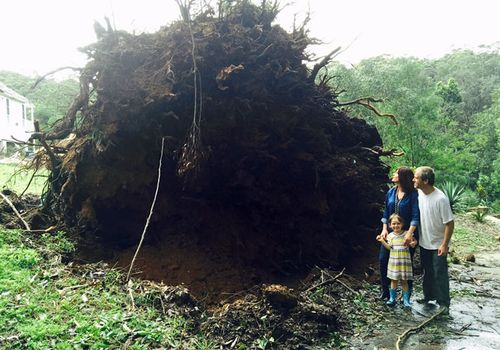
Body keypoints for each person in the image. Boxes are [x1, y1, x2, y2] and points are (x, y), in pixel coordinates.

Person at [413, 166, 454, 311]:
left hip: (438, 244)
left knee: (440, 273)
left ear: (425, 180)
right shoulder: (419, 193)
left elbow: (449, 223)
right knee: (428, 271)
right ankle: (428, 296)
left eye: (416, 177)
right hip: (425, 242)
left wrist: (445, 244)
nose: (414, 180)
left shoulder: (441, 198)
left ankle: (444, 303)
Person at [378, 167, 420, 300]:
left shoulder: (413, 194)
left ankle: (406, 295)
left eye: (396, 173)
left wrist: (410, 234)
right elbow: (386, 212)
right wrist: (385, 228)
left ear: (402, 177)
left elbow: (415, 216)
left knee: (406, 263)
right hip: (391, 233)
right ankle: (386, 292)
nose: (393, 174)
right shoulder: (391, 192)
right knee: (383, 260)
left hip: (408, 234)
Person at [377, 214, 417, 306]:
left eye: (398, 223)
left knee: (404, 281)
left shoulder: (406, 234)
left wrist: (413, 243)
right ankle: (392, 299)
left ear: (402, 224)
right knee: (393, 281)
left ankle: (406, 300)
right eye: (393, 224)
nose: (396, 225)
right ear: (390, 225)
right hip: (394, 263)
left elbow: (412, 243)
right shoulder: (390, 236)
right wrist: (382, 241)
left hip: (404, 262)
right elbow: (389, 248)